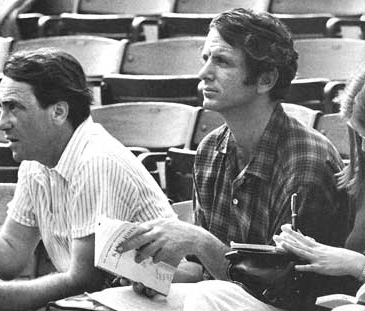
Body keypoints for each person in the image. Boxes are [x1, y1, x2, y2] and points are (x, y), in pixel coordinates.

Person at [117, 8, 352, 311]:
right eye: (206, 59)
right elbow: (208, 274)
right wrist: (153, 274)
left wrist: (200, 242)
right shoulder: (209, 149)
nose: (204, 74)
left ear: (265, 79)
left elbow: (290, 294)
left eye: (222, 61)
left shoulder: (308, 163)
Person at [0, 48, 175, 311]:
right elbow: (10, 255)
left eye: (14, 107)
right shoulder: (35, 161)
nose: (1, 124)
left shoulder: (96, 160)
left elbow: (84, 281)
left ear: (59, 112)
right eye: (0, 108)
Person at [274, 64, 365, 310]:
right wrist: (310, 250)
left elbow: (354, 263)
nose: (364, 147)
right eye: (360, 136)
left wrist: (357, 265)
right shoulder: (358, 182)